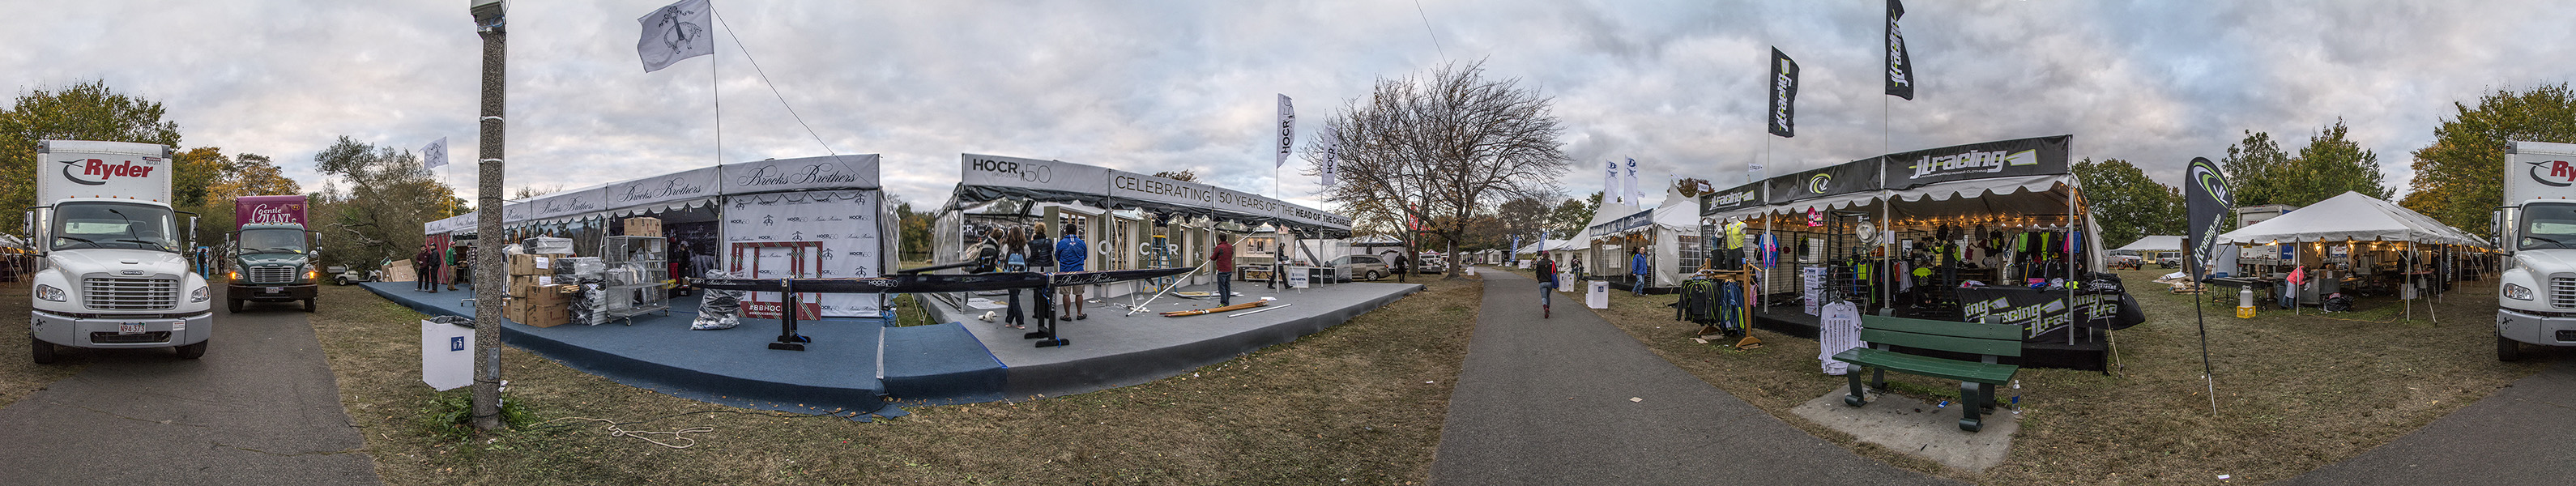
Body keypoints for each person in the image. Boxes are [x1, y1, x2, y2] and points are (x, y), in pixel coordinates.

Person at [1026, 223, 1057, 329]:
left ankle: (1037, 312)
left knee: (1036, 291)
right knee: (1047, 290)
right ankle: (1047, 312)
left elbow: (1030, 256)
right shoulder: (1048, 242)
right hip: (1048, 268)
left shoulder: (1031, 243)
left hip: (1036, 268)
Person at [1056, 224, 1090, 320]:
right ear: (1076, 232)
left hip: (1065, 272)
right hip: (1079, 271)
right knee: (1079, 293)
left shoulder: (1061, 243)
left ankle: (1067, 315)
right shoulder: (1081, 243)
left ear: (1066, 232)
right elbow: (1085, 256)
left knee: (1066, 294)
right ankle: (1079, 314)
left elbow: (1057, 257)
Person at [1001, 227, 1030, 330]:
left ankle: (1020, 321)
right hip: (1021, 275)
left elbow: (1003, 257)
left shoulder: (1006, 247)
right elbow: (1029, 257)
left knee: (1014, 297)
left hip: (1009, 276)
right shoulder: (1025, 247)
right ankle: (1008, 320)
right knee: (1014, 297)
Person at [1213, 233, 1237, 306]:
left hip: (1222, 270)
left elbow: (1213, 257)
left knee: (1222, 287)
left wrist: (1211, 257)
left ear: (1219, 239)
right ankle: (1227, 301)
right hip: (1229, 269)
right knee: (1227, 286)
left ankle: (1224, 302)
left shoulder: (1219, 247)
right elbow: (1231, 253)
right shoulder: (1230, 246)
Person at [1535, 251, 1559, 318]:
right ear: (1548, 255)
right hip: (1550, 282)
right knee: (1548, 296)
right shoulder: (1552, 263)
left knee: (1544, 297)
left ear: (1542, 256)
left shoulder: (1539, 263)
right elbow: (1555, 272)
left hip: (1542, 282)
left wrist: (1539, 279)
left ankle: (1545, 307)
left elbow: (1537, 273)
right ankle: (1548, 308)